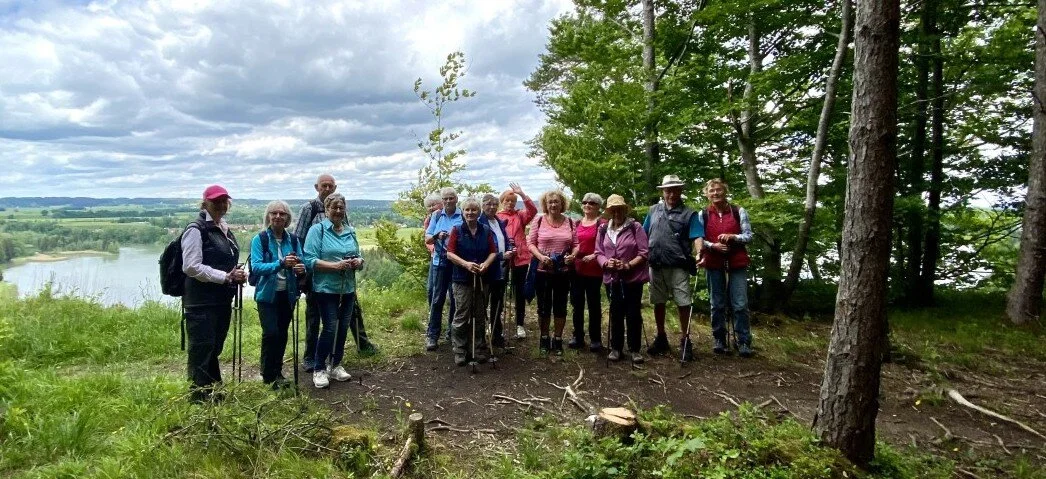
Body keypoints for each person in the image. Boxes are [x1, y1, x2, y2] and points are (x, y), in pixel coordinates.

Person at [295, 175, 377, 373]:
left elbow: (348, 239)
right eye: (324, 185)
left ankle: (342, 357)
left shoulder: (345, 223)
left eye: (331, 186)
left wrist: (356, 261)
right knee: (317, 318)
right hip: (318, 277)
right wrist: (303, 272)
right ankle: (313, 359)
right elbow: (298, 239)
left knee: (346, 318)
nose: (328, 188)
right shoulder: (310, 210)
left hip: (345, 281)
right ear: (317, 187)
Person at [181, 185, 244, 403]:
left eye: (224, 201)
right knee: (201, 348)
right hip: (200, 301)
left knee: (214, 346)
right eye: (216, 200)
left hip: (220, 300)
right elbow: (190, 266)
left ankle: (213, 389)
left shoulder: (222, 228)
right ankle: (198, 397)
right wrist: (225, 277)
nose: (220, 204)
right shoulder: (195, 230)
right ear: (205, 203)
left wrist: (235, 274)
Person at [303, 193, 362, 388]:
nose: (337, 211)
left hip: (347, 288)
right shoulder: (317, 231)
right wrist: (334, 266)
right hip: (326, 288)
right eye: (333, 208)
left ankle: (335, 365)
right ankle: (319, 368)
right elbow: (309, 260)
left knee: (343, 327)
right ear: (326, 210)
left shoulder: (350, 231)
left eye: (341, 208)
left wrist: (357, 262)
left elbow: (359, 256)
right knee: (330, 328)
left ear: (345, 210)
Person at [643, 174, 704, 361]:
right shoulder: (653, 210)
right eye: (668, 190)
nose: (671, 193)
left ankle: (685, 340)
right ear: (662, 192)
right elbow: (643, 234)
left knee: (683, 302)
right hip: (655, 263)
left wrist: (700, 253)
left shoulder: (689, 213)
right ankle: (661, 337)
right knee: (658, 301)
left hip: (678, 265)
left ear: (681, 191)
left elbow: (697, 236)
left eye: (675, 190)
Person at [249, 200, 306, 389]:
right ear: (268, 217)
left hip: (287, 294)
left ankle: (277, 372)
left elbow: (302, 262)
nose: (278, 217)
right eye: (274, 213)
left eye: (282, 214)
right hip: (267, 295)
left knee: (282, 335)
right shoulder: (260, 239)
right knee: (271, 333)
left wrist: (300, 267)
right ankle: (267, 374)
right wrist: (281, 264)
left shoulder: (294, 240)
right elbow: (256, 267)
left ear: (288, 218)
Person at [697, 179, 755, 357]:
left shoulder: (738, 211)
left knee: (740, 303)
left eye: (718, 190)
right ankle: (719, 339)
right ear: (707, 194)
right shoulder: (703, 214)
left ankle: (743, 341)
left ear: (725, 191)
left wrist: (733, 237)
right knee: (717, 303)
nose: (715, 193)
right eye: (711, 191)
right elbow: (698, 238)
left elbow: (748, 236)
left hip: (736, 262)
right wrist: (712, 246)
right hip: (714, 262)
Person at [595, 194, 650, 364]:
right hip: (612, 278)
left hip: (632, 278)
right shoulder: (603, 229)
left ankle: (635, 349)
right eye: (613, 209)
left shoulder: (635, 227)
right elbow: (598, 252)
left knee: (633, 313)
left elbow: (644, 253)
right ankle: (616, 348)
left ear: (624, 210)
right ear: (609, 211)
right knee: (616, 311)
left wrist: (628, 265)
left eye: (619, 209)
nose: (617, 212)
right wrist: (606, 263)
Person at [446, 197, 498, 366]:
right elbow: (450, 253)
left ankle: (478, 348)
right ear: (463, 211)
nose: (470, 213)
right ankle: (460, 350)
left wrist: (486, 264)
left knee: (480, 314)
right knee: (462, 314)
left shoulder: (485, 230)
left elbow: (493, 252)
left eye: (474, 210)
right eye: (467, 210)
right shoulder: (456, 230)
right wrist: (466, 264)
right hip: (461, 278)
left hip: (482, 277)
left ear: (479, 211)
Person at [527, 190, 578, 355]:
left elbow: (576, 244)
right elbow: (531, 243)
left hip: (563, 271)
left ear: (562, 203)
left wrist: (573, 256)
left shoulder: (570, 222)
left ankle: (557, 339)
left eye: (556, 201)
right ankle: (544, 337)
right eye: (550, 202)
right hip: (542, 271)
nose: (553, 205)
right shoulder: (539, 220)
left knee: (560, 306)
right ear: (545, 205)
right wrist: (540, 256)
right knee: (543, 306)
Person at [496, 182, 538, 339]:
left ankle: (520, 324)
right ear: (502, 201)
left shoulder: (520, 215)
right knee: (499, 291)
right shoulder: (497, 217)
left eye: (512, 201)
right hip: (502, 258)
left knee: (519, 291)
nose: (510, 204)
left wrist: (522, 194)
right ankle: (496, 324)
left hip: (520, 258)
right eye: (507, 200)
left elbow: (533, 211)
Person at [424, 187, 463, 351]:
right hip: (439, 261)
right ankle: (432, 335)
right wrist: (437, 235)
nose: (448, 201)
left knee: (456, 299)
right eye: (445, 198)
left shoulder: (463, 215)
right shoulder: (436, 215)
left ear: (456, 199)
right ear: (442, 200)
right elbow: (427, 238)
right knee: (437, 298)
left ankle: (452, 332)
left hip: (457, 262)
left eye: (451, 198)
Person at [570, 193, 605, 352]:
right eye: (585, 202)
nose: (587, 205)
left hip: (594, 269)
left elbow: (608, 246)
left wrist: (595, 255)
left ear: (598, 206)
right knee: (577, 304)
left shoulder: (602, 224)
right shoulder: (576, 223)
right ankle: (577, 336)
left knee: (594, 304)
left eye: (592, 203)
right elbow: (571, 243)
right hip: (577, 268)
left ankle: (595, 339)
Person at [480, 194, 515, 348]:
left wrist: (510, 249)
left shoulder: (499, 222)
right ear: (482, 205)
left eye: (495, 204)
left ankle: (496, 334)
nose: (492, 207)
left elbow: (505, 240)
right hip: (486, 269)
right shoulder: (479, 223)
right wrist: (501, 255)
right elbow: (481, 249)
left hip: (501, 269)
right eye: (488, 204)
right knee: (482, 303)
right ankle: (479, 338)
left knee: (498, 303)